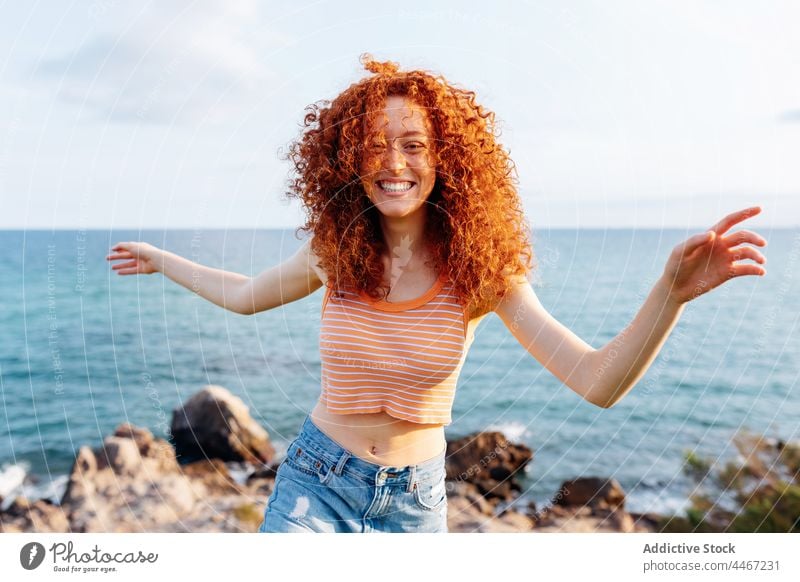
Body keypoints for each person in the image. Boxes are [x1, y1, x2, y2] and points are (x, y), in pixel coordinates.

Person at [106, 55, 768, 533]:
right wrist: (164, 261)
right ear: (347, 160)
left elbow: (596, 381)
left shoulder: (481, 275)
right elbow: (247, 295)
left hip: (416, 503)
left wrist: (670, 296)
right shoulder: (333, 254)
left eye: (414, 145)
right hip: (316, 482)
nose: (394, 164)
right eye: (375, 146)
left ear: (446, 157)